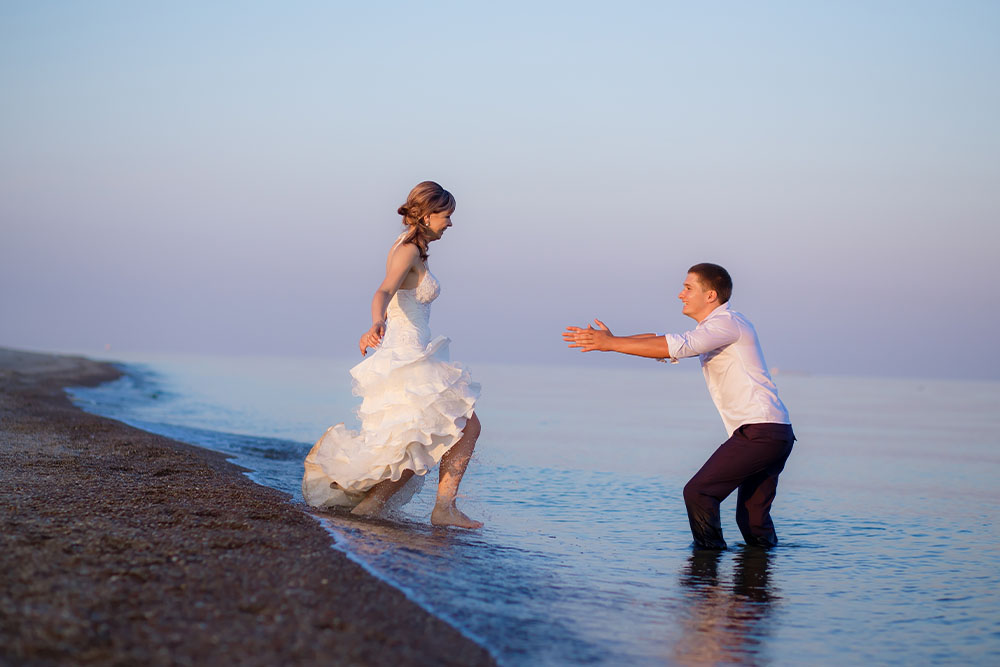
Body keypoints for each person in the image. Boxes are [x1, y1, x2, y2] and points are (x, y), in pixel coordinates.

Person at [562, 263, 794, 549]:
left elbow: (677, 345)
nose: (680, 294)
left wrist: (611, 344)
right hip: (775, 433)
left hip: (760, 432)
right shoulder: (717, 327)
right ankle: (757, 588)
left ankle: (706, 568)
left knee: (699, 492)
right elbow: (660, 340)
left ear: (710, 295)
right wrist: (610, 340)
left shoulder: (727, 323)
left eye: (688, 288)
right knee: (752, 520)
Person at [303, 181, 483, 529]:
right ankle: (442, 508)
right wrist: (375, 321)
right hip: (408, 356)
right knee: (460, 428)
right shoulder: (408, 251)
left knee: (421, 440)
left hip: (414, 352)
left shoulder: (412, 248)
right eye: (446, 216)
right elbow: (384, 289)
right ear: (427, 214)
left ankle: (374, 507)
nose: (450, 223)